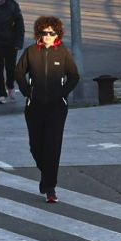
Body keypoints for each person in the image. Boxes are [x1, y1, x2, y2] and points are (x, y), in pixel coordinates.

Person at [14, 15, 79, 203]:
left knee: (53, 146)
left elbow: (74, 76)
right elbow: (19, 72)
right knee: (36, 146)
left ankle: (50, 187)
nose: (48, 36)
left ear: (57, 34)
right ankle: (46, 175)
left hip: (57, 108)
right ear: (39, 34)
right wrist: (28, 91)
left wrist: (62, 94)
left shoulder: (63, 53)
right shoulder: (31, 51)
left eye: (52, 33)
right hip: (34, 106)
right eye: (44, 33)